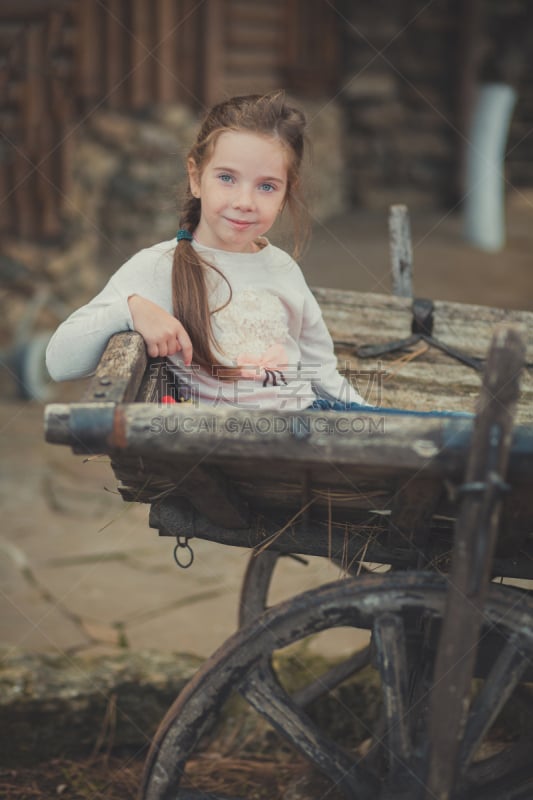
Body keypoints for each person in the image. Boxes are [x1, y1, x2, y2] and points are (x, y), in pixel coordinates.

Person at [46, 91, 368, 411]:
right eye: (227, 178)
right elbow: (59, 362)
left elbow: (323, 373)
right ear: (196, 177)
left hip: (309, 425)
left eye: (266, 186)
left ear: (285, 194)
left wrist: (370, 416)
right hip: (227, 444)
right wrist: (131, 311)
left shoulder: (283, 269)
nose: (245, 202)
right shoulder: (160, 268)